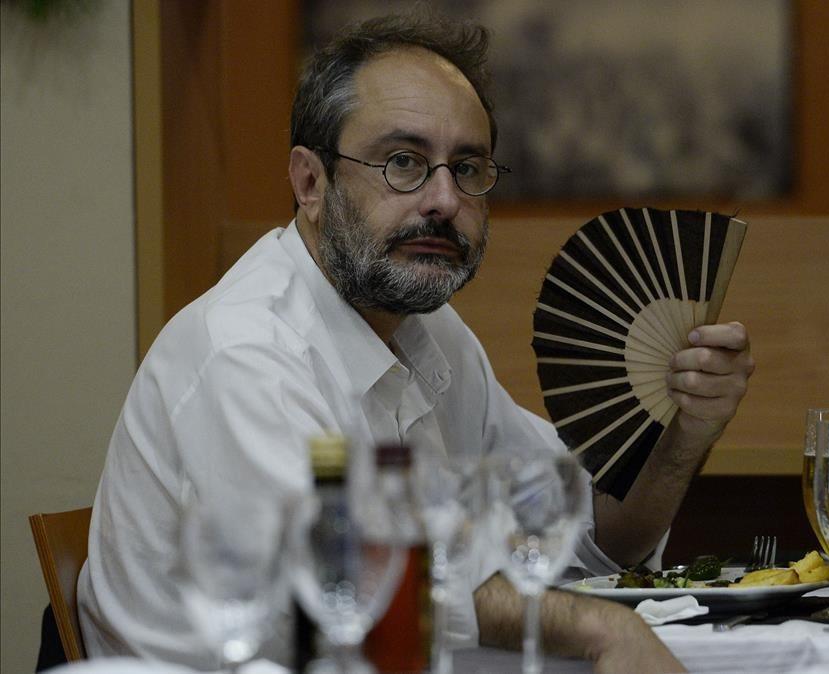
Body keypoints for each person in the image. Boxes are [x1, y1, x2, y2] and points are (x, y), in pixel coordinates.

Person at [78, 11, 754, 673]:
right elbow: (357, 587)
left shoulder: (430, 334)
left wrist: (683, 438)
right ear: (311, 182)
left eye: (467, 167)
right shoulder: (245, 353)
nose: (442, 199)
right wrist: (600, 628)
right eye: (403, 161)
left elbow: (586, 534)